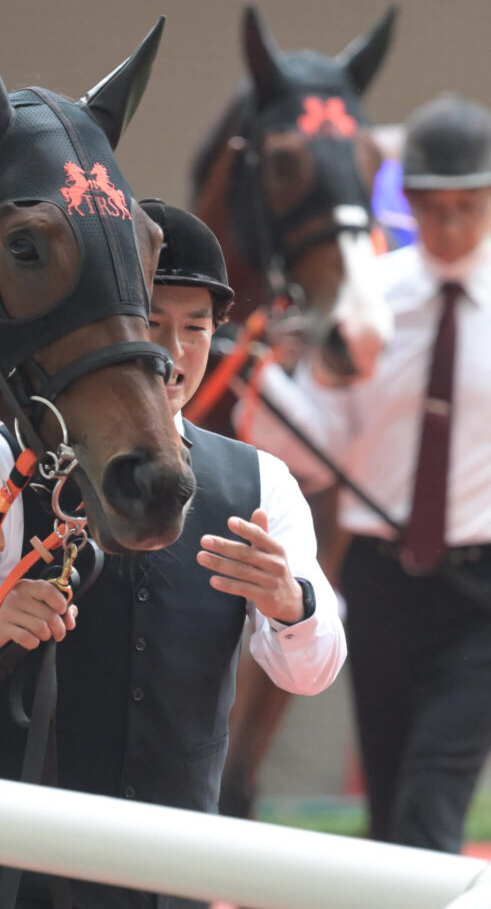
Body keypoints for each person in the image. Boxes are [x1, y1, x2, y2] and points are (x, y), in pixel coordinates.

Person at [0, 199, 346, 909]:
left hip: (177, 873)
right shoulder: (1, 466)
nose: (172, 353)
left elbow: (312, 672)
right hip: (24, 868)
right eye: (150, 323)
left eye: (196, 328)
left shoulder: (260, 482)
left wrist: (291, 604)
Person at [235, 93, 491, 853]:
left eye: (467, 206)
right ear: (406, 199)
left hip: (482, 594)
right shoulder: (370, 296)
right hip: (378, 583)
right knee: (387, 808)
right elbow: (318, 455)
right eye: (430, 206)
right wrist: (273, 381)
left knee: (428, 805)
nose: (447, 227)